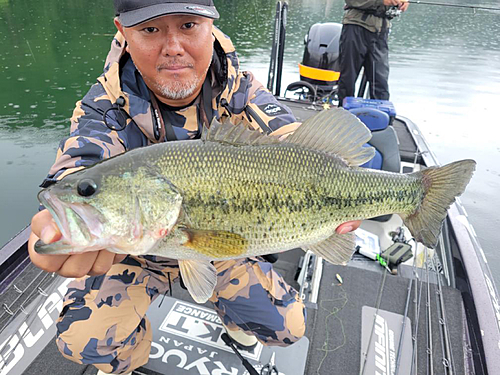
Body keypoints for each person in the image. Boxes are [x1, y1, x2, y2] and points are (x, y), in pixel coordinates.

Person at [27, 1, 362, 374]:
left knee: (288, 328)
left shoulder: (244, 94)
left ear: (211, 27)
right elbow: (81, 163)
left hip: (225, 241)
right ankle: (132, 359)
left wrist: (345, 194)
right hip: (133, 253)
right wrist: (54, 224)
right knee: (83, 340)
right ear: (123, 33)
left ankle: (234, 321)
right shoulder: (103, 108)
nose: (173, 46)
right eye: (151, 29)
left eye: (188, 25)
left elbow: (293, 143)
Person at [337, 0, 409, 106]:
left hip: (381, 31)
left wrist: (403, 2)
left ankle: (380, 116)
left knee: (380, 80)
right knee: (348, 77)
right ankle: (343, 114)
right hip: (356, 27)